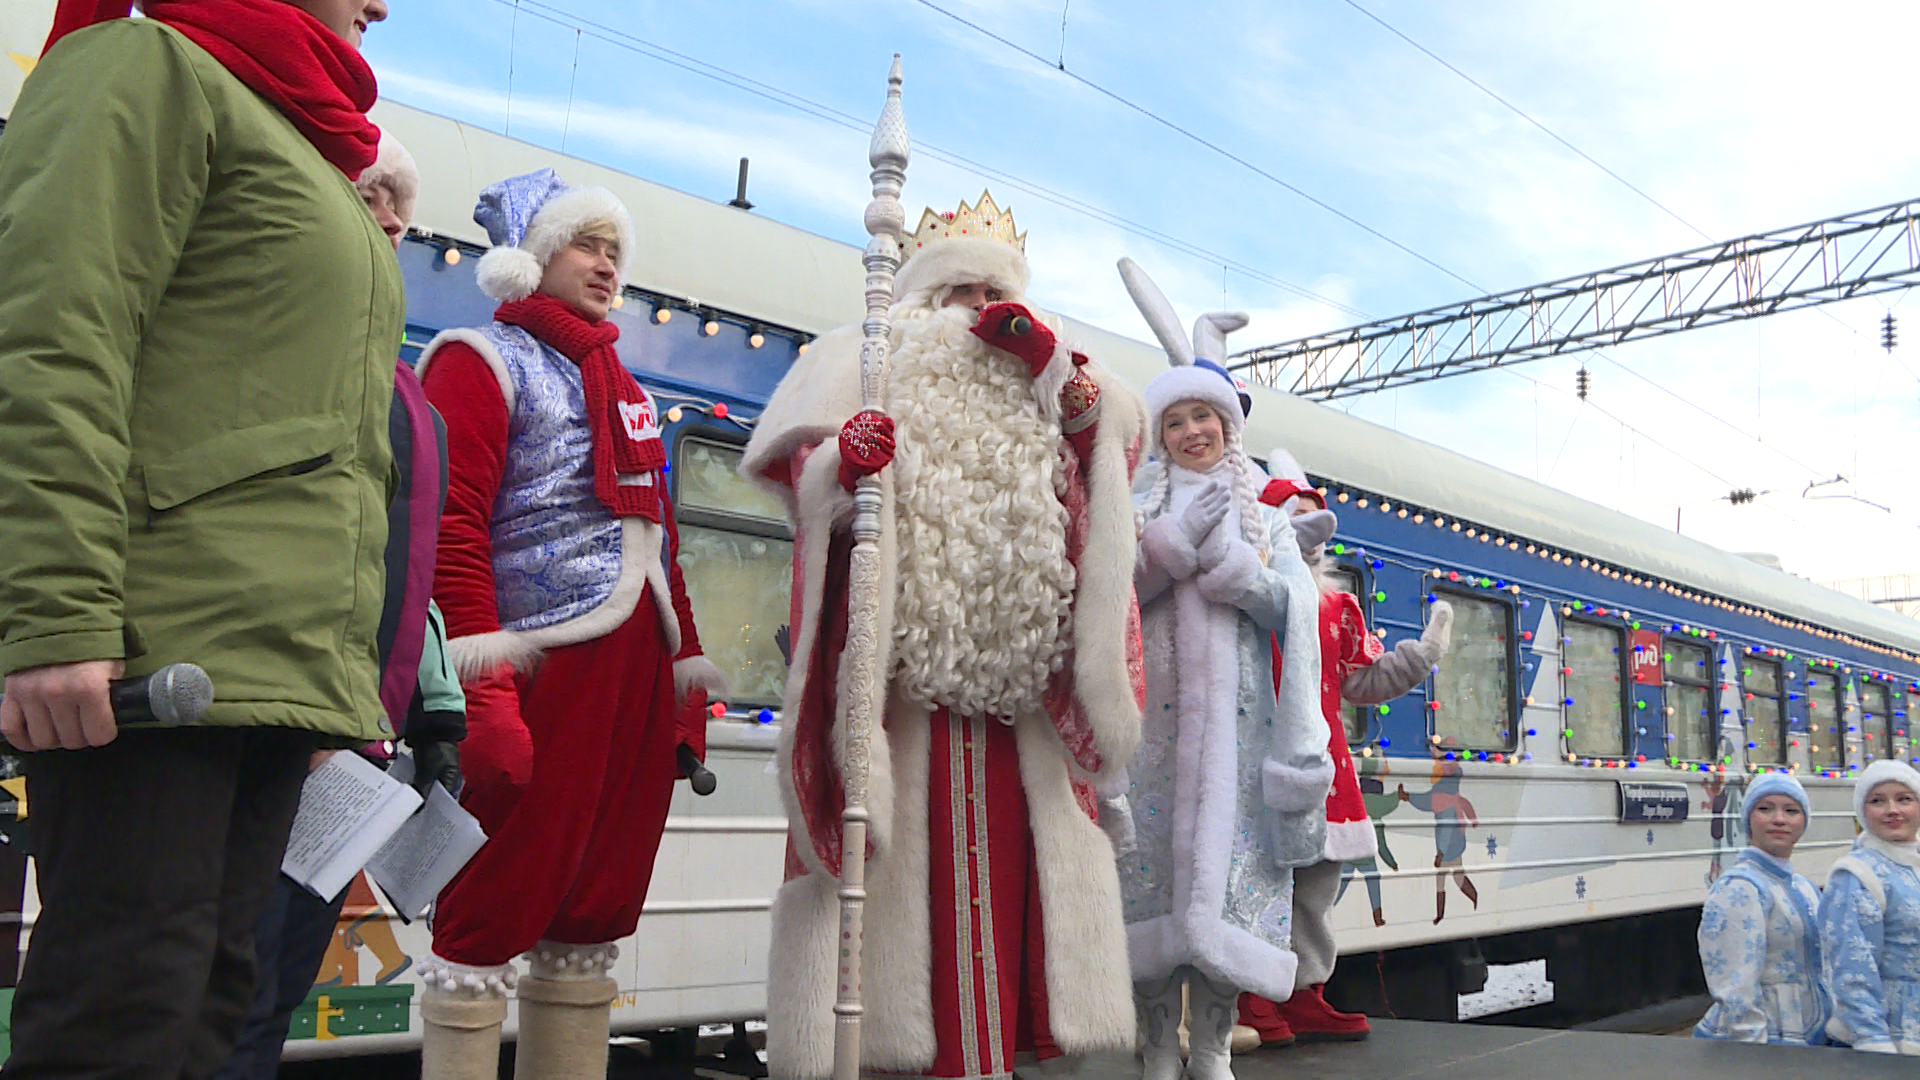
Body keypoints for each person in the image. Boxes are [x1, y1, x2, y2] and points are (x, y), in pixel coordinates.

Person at [0, 2, 398, 1077]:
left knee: (207, 1008)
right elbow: (50, 341)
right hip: (149, 651)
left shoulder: (301, 141)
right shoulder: (144, 68)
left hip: (255, 669)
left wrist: (328, 683)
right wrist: (53, 613)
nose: (384, 6)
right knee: (123, 1013)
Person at [743, 193, 1146, 1080]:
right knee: (889, 923)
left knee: (1008, 920)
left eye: (989, 291)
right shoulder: (872, 360)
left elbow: (1110, 465)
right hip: (893, 705)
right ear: (923, 298)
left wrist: (1055, 378)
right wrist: (846, 467)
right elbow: (806, 481)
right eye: (956, 289)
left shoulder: (1058, 372)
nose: (974, 308)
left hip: (1020, 710)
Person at [414, 167, 726, 1080]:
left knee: (591, 911)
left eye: (615, 249)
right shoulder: (479, 359)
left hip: (634, 666)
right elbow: (451, 525)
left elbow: (659, 540)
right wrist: (484, 689)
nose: (606, 264)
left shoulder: (622, 385)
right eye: (587, 244)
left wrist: (683, 679)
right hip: (547, 660)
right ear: (533, 256)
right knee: (492, 904)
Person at [213, 130, 468, 1080]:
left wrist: (437, 713)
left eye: (400, 207)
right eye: (370, 199)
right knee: (220, 993)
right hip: (276, 721)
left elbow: (412, 575)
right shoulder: (281, 355)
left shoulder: (414, 401)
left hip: (358, 746)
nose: (393, 220)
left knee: (272, 994)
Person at [1124, 345, 1329, 1079]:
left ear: (1225, 423)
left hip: (1240, 736)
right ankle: (1155, 1045)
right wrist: (1169, 549)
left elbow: (1292, 604)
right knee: (1149, 883)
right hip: (1150, 733)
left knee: (1227, 885)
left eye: (1201, 416)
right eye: (1174, 421)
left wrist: (1237, 574)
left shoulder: (1264, 506)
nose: (1190, 432)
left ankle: (1211, 1047)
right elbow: (1106, 598)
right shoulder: (1139, 498)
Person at [1236, 454, 1452, 1046]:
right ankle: (1252, 993)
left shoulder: (1336, 608)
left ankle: (1306, 993)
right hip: (1256, 758)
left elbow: (1363, 682)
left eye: (1314, 516)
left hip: (1326, 764)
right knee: (1260, 876)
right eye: (1294, 515)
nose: (1308, 529)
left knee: (1317, 883)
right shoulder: (1250, 597)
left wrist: (1420, 656)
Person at [1692, 772, 1830, 1045]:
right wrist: (1753, 1050)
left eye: (1791, 810)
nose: (1779, 819)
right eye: (1765, 808)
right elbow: (1734, 982)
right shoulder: (1739, 887)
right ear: (1749, 819)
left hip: (1811, 1036)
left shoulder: (1804, 887)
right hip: (1767, 1041)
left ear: (1804, 822)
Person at [1820, 759, 1920, 1055]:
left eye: (1904, 799)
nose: (1892, 810)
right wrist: (1873, 1043)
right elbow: (1853, 968)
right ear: (1863, 812)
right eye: (1878, 801)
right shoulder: (1857, 874)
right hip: (1893, 1034)